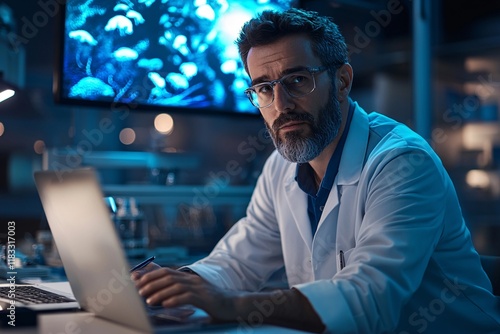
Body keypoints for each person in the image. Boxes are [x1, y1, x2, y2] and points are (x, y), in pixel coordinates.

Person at [133, 8, 500, 333]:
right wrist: (174, 284)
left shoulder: (402, 163)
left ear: (341, 81)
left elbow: (369, 301)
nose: (280, 105)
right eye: (263, 88)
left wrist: (231, 305)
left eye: (297, 81)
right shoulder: (281, 165)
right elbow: (238, 261)